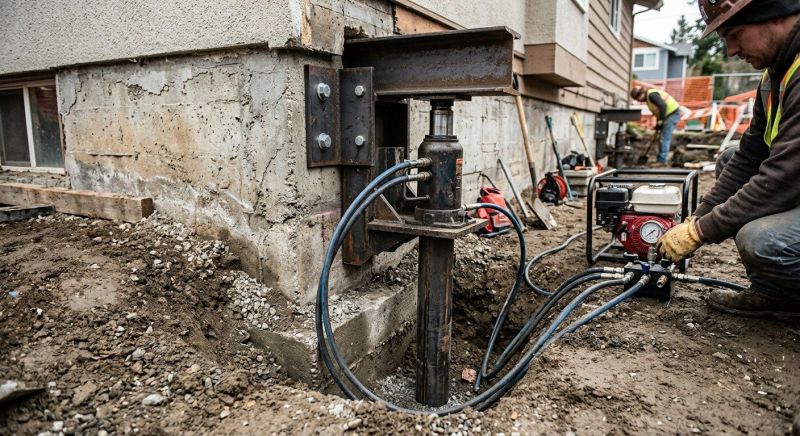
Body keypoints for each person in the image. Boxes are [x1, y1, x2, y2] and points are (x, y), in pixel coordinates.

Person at [657, 0, 800, 320]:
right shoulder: (776, 75)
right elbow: (749, 158)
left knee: (762, 241)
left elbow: (783, 178)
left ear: (774, 15)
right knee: (729, 158)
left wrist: (702, 231)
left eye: (735, 34)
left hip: (792, 181)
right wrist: (694, 221)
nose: (732, 50)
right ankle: (776, 294)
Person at [630, 86, 681, 164]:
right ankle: (661, 158)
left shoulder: (651, 95)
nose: (639, 101)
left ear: (641, 94)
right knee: (662, 137)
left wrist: (661, 120)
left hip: (672, 113)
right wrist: (659, 122)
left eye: (638, 99)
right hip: (667, 115)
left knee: (664, 137)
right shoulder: (648, 99)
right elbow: (658, 110)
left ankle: (662, 160)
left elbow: (663, 105)